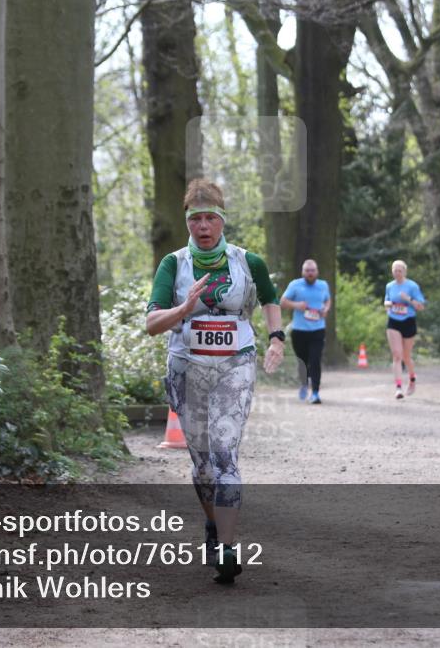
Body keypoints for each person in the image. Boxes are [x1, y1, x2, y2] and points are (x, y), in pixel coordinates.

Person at [145, 178, 284, 584]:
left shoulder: (247, 262)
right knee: (203, 465)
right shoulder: (174, 264)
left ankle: (226, 545)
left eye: (211, 218)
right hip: (188, 368)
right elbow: (153, 323)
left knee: (226, 454)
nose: (203, 227)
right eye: (196, 219)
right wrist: (183, 308)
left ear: (223, 220)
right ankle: (211, 525)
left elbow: (271, 299)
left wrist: (276, 339)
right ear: (187, 222)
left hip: (235, 364)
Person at [280, 259, 330, 404]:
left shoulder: (323, 285)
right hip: (299, 331)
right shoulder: (295, 285)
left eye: (312, 270)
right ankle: (303, 384)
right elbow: (282, 302)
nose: (310, 273)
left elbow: (327, 301)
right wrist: (297, 305)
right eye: (307, 270)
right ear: (303, 272)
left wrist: (326, 309)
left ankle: (315, 392)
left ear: (317, 272)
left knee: (315, 361)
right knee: (303, 361)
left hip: (318, 330)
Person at [384, 260, 425, 399]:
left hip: (408, 322)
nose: (397, 273)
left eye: (400, 270)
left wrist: (408, 299)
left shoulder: (412, 286)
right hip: (393, 322)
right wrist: (388, 304)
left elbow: (420, 307)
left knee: (406, 357)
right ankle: (398, 387)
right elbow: (386, 301)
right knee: (397, 355)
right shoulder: (389, 286)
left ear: (405, 272)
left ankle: (412, 379)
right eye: (395, 270)